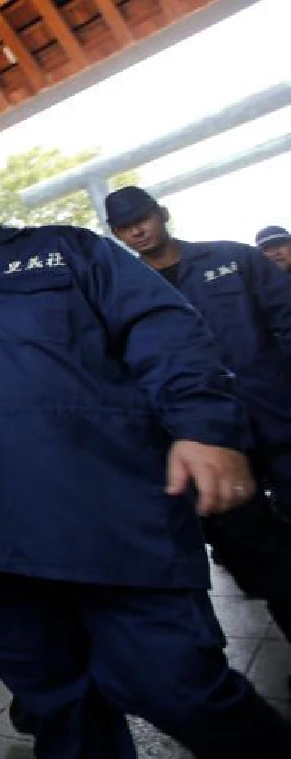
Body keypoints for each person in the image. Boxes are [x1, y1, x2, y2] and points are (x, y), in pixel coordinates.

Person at [0, 153, 291, 757]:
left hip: (105, 521)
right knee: (61, 715)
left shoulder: (67, 253)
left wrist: (204, 426)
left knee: (179, 690)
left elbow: (162, 327)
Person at [107, 186, 291, 649]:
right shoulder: (119, 296)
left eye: (143, 218)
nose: (137, 230)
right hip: (211, 442)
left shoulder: (233, 259)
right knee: (263, 558)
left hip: (276, 420)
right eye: (125, 226)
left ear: (161, 214)